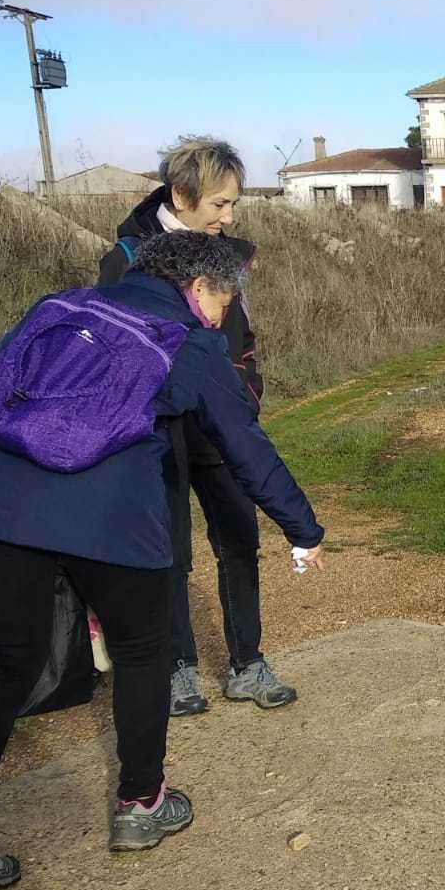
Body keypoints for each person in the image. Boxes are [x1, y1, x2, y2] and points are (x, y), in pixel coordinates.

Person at [0, 231, 326, 890]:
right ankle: (141, 803)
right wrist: (303, 529)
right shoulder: (190, 339)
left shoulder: (61, 307)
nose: (224, 315)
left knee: (3, 663)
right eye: (224, 301)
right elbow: (246, 446)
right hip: (106, 516)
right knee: (140, 650)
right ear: (197, 289)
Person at [99, 136, 295, 716]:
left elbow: (244, 335)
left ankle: (248, 663)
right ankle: (180, 669)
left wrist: (247, 390)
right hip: (154, 434)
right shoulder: (126, 258)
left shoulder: (228, 254)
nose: (229, 217)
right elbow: (111, 346)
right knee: (167, 553)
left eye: (233, 205)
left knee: (239, 539)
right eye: (219, 205)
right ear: (182, 197)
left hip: (219, 428)